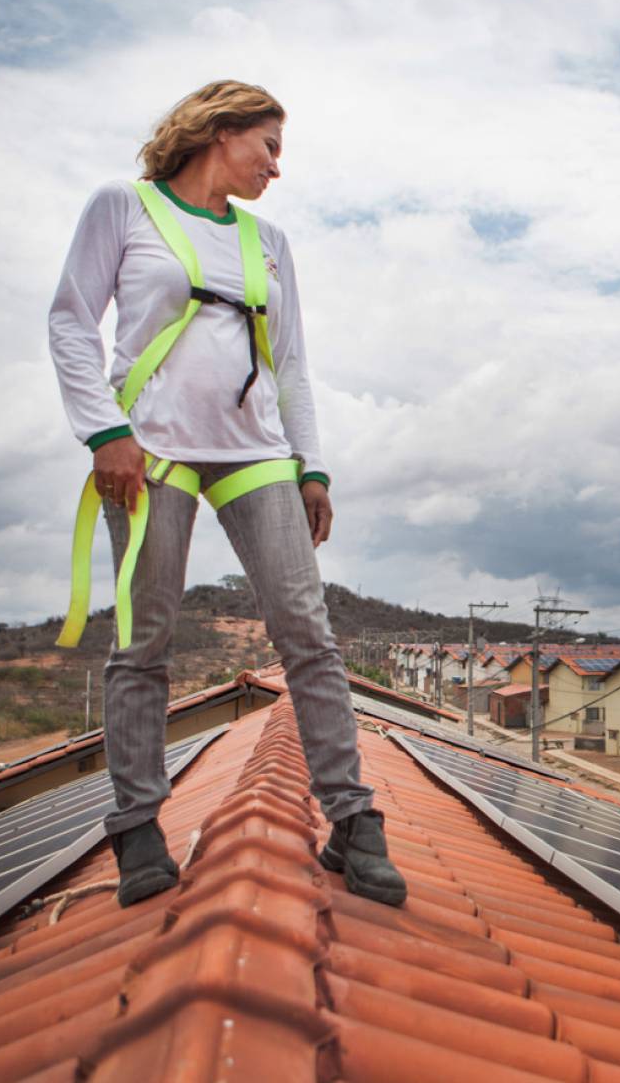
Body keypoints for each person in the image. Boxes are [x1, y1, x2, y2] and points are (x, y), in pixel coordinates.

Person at [48, 80, 405, 909]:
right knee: (144, 639)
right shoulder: (124, 207)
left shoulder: (267, 240)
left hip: (256, 451)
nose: (277, 166)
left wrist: (311, 466)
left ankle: (353, 820)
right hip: (149, 449)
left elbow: (292, 364)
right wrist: (104, 432)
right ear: (219, 129)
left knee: (308, 632)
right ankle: (138, 827)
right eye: (269, 146)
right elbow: (71, 320)